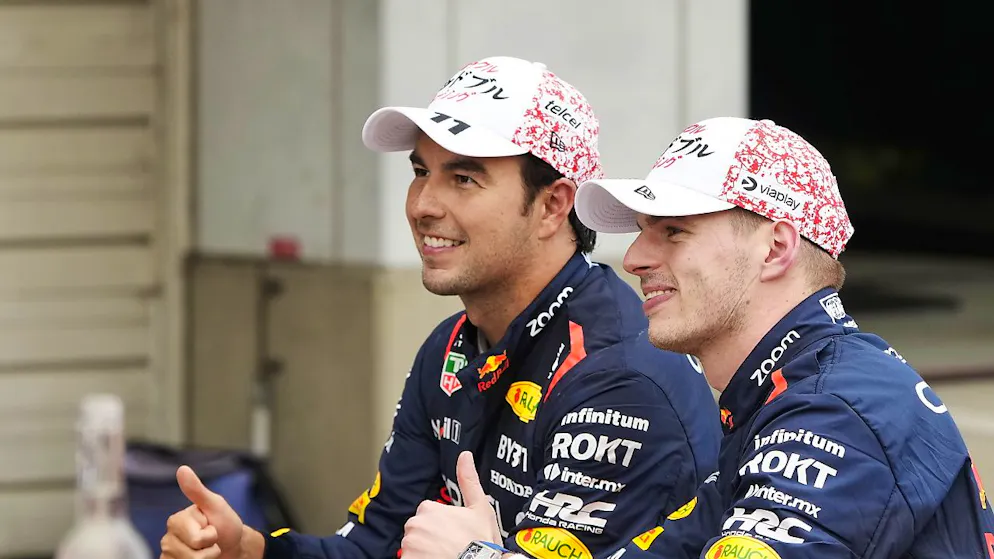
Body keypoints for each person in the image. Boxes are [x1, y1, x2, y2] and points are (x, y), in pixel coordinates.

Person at [158, 56, 721, 559]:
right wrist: (249, 550)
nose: (424, 205)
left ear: (552, 206)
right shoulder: (452, 347)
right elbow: (377, 545)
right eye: (421, 171)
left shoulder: (619, 378)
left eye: (464, 178)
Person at [568, 116, 994, 558]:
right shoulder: (780, 398)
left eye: (673, 230)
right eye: (642, 230)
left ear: (774, 250)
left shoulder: (834, 411)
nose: (634, 257)